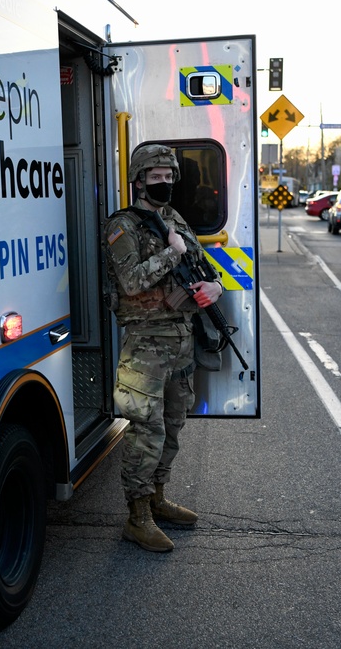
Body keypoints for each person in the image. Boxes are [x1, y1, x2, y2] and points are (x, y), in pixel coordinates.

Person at [102, 143, 223, 552]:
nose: (166, 183)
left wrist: (214, 286)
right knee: (145, 431)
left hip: (181, 340)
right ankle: (137, 518)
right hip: (145, 345)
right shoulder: (123, 225)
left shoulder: (173, 217)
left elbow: (204, 265)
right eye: (157, 177)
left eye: (170, 177)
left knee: (173, 424)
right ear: (138, 181)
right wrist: (173, 253)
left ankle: (157, 498)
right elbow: (132, 281)